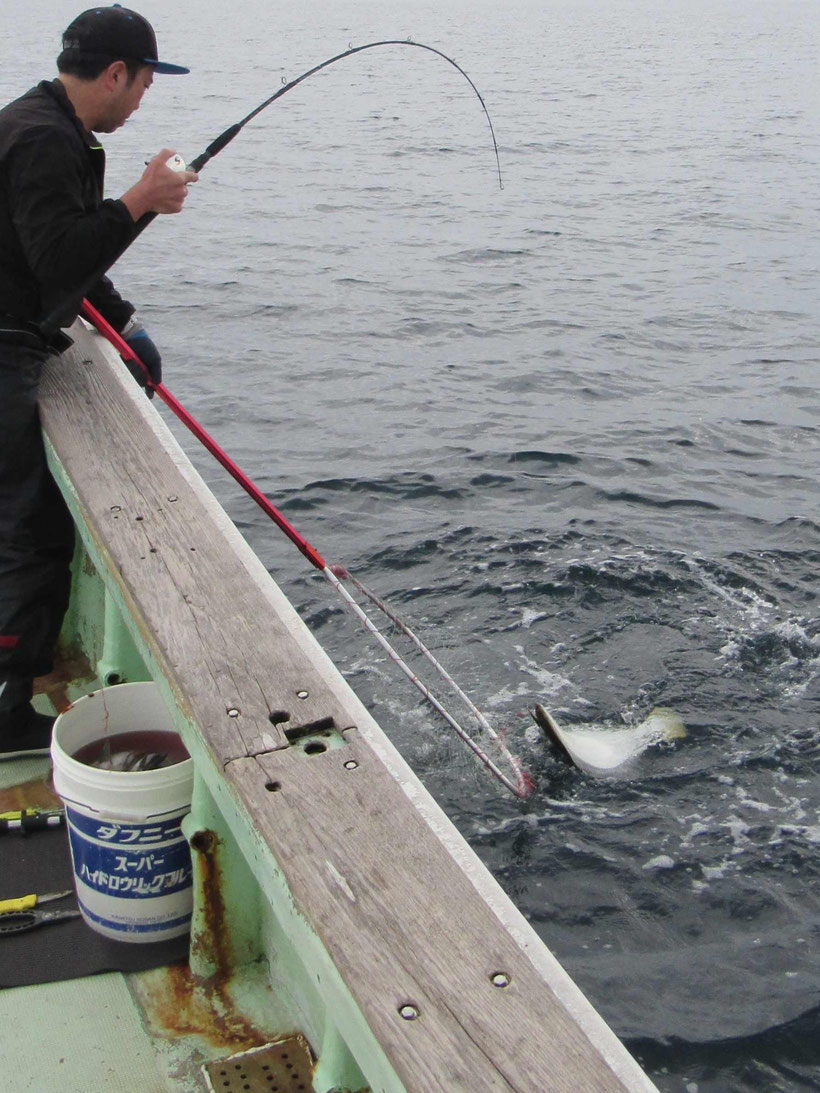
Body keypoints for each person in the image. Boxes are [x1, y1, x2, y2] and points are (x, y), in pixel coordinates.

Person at [0, 6, 198, 758]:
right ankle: (6, 709)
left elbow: (58, 252)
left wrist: (124, 322)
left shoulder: (46, 125)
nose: (143, 99)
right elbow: (57, 257)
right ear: (116, 74)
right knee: (26, 531)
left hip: (18, 334)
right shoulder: (46, 140)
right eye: (144, 83)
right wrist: (141, 200)